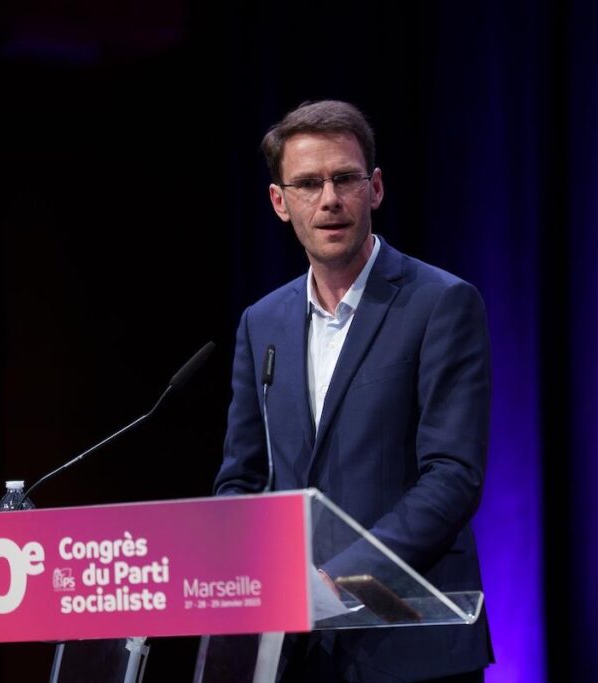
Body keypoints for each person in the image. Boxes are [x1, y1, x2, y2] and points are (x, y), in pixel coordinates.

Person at [213, 100, 493, 682]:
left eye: (345, 178)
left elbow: (452, 476)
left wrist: (337, 581)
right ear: (280, 202)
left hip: (411, 646)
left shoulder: (440, 304)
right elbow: (242, 478)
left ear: (376, 188)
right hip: (296, 653)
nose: (330, 199)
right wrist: (247, 569)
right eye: (308, 184)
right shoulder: (261, 323)